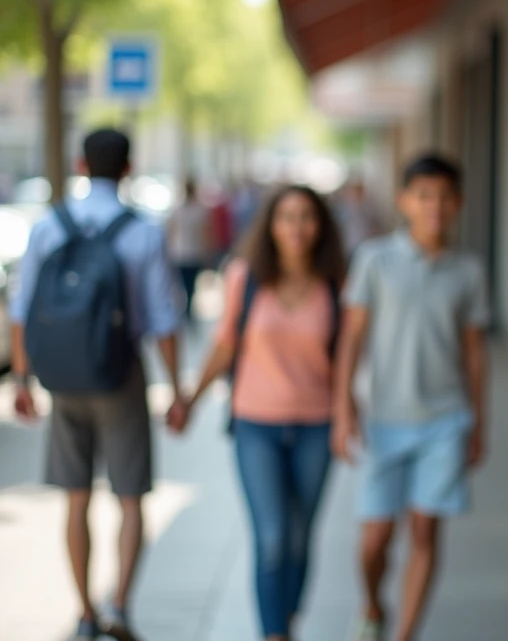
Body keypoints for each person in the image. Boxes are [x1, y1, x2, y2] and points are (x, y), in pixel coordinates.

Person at [9, 129, 184, 641]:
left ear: (80, 163)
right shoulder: (143, 232)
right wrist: (176, 390)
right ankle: (121, 606)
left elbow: (23, 309)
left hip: (62, 378)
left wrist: (23, 378)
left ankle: (84, 612)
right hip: (120, 375)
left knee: (75, 497)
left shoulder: (49, 226)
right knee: (130, 497)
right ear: (129, 169)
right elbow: (164, 320)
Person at [170, 185, 345, 641]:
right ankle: (275, 634)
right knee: (272, 538)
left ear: (320, 225)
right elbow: (226, 344)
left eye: (306, 216)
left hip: (317, 425)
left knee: (301, 539)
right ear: (270, 224)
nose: (296, 226)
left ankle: (287, 620)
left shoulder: (335, 281)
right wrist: (189, 398)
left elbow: (348, 357)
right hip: (255, 425)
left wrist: (350, 416)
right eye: (286, 216)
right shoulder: (245, 277)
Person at [331, 155, 490, 641]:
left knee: (424, 531)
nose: (434, 207)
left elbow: (474, 354)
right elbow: (351, 340)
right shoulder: (374, 259)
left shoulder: (468, 270)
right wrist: (342, 410)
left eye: (444, 197)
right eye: (423, 196)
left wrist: (479, 424)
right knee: (375, 538)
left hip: (445, 419)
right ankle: (373, 603)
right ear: (403, 201)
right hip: (382, 419)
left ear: (458, 203)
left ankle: (404, 634)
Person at [166, 178, 213, 324]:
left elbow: (170, 232)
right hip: (192, 253)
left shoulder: (179, 209)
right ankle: (187, 311)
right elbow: (206, 234)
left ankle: (186, 311)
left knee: (184, 284)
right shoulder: (199, 210)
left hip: (181, 253)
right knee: (189, 285)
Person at [335, 178, 384, 255]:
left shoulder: (369, 210)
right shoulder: (341, 211)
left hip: (366, 246)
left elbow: (377, 229)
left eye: (358, 192)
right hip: (348, 247)